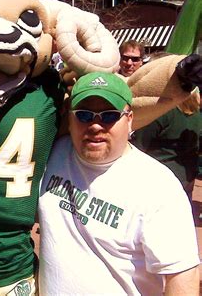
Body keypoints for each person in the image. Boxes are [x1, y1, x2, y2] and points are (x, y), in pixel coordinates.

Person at [38, 72, 200, 295]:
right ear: (70, 116)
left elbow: (182, 277)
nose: (95, 125)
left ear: (130, 118)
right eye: (84, 115)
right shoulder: (54, 152)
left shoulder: (158, 187)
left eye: (109, 116)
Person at [133, 88, 201, 197]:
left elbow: (138, 147)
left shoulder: (162, 113)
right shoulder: (197, 115)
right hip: (185, 178)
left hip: (157, 181)